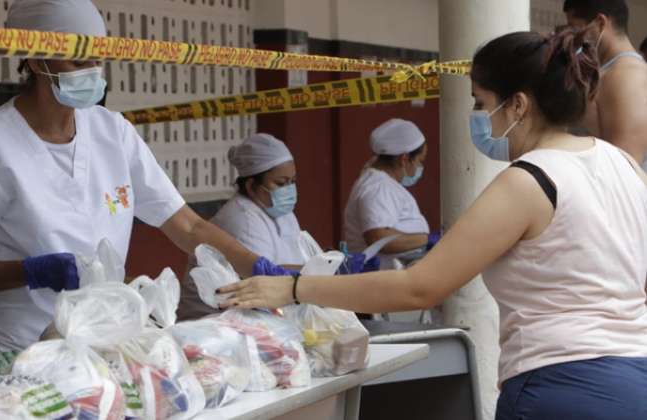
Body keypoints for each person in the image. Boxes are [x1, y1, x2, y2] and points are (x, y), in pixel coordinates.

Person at [220, 30, 647, 419]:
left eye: (482, 102)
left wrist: (294, 289)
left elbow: (420, 286)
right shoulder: (624, 165)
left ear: (518, 104)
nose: (481, 118)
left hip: (562, 387)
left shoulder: (529, 180)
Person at [0, 0, 283, 357]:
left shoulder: (112, 132)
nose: (92, 72)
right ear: (37, 61)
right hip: (6, 344)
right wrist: (31, 272)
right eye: (78, 62)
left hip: (90, 336)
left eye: (97, 60)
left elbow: (188, 227)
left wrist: (258, 267)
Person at [178, 133, 304, 320]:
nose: (289, 189)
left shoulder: (283, 215)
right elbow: (263, 285)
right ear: (252, 185)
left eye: (292, 182)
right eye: (281, 183)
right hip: (214, 324)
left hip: (257, 318)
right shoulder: (241, 219)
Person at [563, 0, 647, 170]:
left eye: (575, 28)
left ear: (600, 22)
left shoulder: (628, 76)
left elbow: (625, 167)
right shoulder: (608, 71)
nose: (573, 37)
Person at [343, 119, 436, 270]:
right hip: (379, 282)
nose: (420, 167)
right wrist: (425, 239)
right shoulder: (377, 188)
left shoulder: (383, 183)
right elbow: (379, 238)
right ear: (404, 159)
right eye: (420, 161)